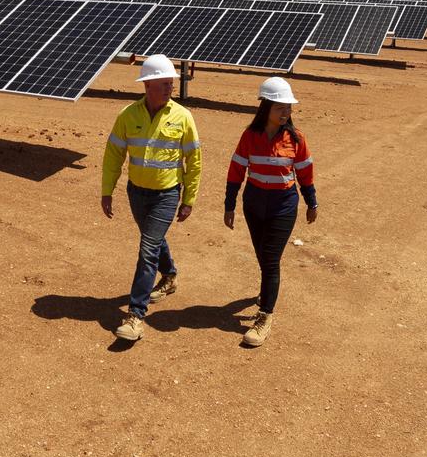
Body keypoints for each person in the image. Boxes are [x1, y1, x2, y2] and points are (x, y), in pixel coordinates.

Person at [101, 54, 202, 342]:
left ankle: (135, 315)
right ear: (147, 85)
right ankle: (170, 275)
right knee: (153, 239)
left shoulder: (183, 117)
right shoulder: (128, 115)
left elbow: (194, 161)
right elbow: (113, 156)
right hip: (137, 192)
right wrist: (107, 190)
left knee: (147, 249)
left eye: (171, 83)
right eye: (164, 83)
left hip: (167, 194)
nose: (170, 87)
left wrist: (189, 198)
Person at [224, 77, 317, 347]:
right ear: (265, 107)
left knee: (271, 259)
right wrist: (229, 205)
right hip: (253, 204)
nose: (286, 112)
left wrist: (312, 202)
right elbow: (236, 171)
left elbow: (305, 173)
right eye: (280, 107)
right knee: (263, 256)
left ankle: (265, 316)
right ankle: (266, 293)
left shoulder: (296, 139)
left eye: (288, 107)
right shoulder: (249, 136)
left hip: (283, 205)